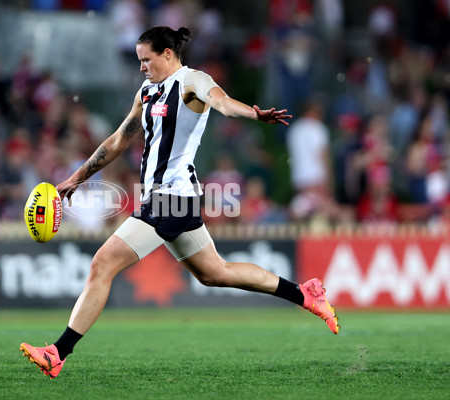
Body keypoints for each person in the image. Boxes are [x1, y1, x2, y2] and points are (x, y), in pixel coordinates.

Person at [20, 26, 339, 379]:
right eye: (140, 60)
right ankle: (305, 294)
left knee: (102, 264)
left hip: (170, 198)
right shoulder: (147, 92)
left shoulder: (191, 82)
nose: (142, 66)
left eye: (147, 59)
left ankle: (57, 353)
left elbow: (221, 101)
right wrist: (75, 178)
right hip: (172, 199)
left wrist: (252, 113)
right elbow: (118, 139)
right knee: (216, 273)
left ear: (168, 54)